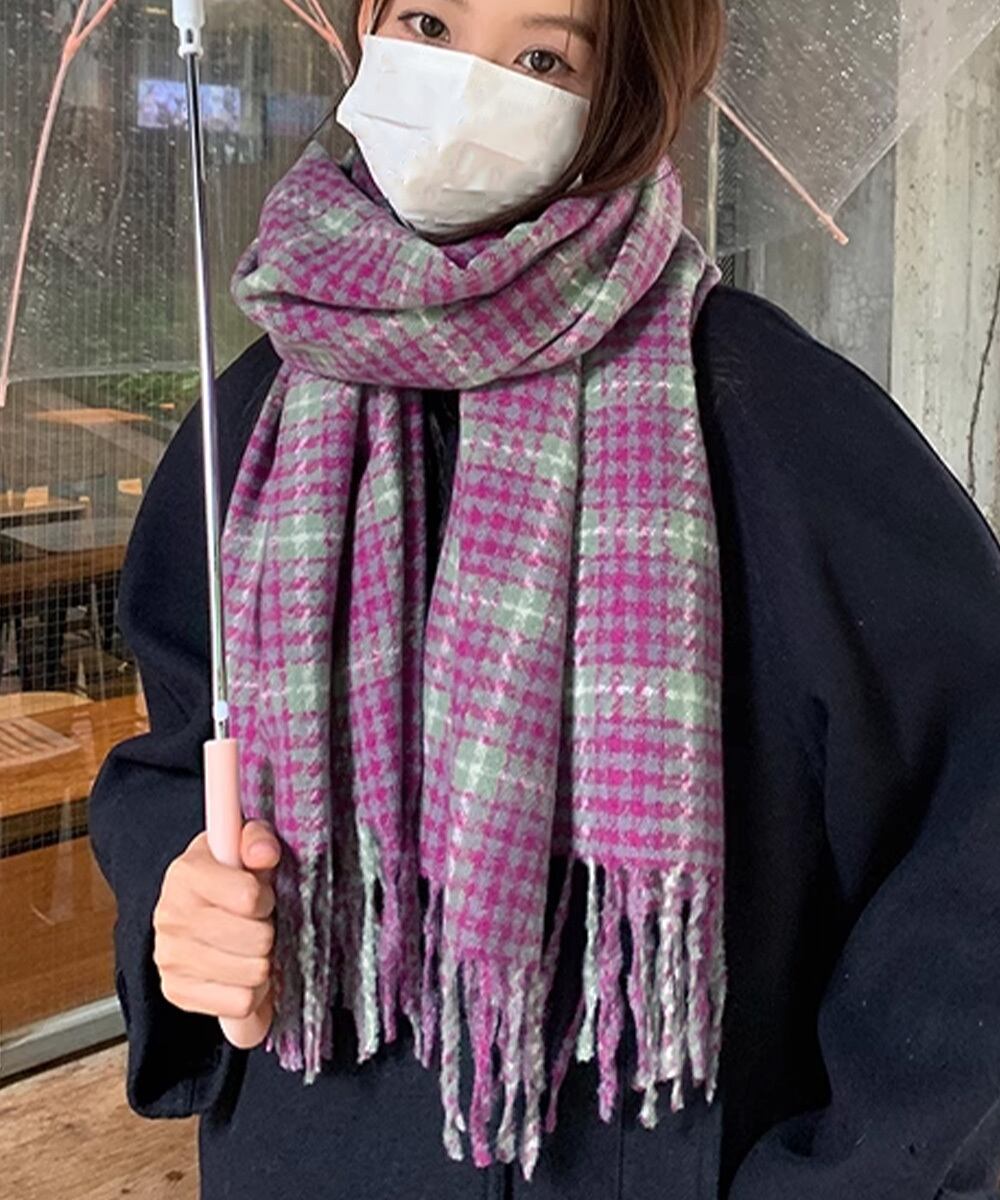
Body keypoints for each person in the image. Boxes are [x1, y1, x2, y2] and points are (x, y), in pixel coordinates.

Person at [88, 1, 1000, 1197]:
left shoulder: (770, 416)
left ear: (618, 98)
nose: (466, 84)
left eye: (540, 56)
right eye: (429, 20)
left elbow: (971, 830)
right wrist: (182, 901)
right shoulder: (255, 413)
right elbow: (178, 742)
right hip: (305, 1148)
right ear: (367, 25)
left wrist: (843, 1175)